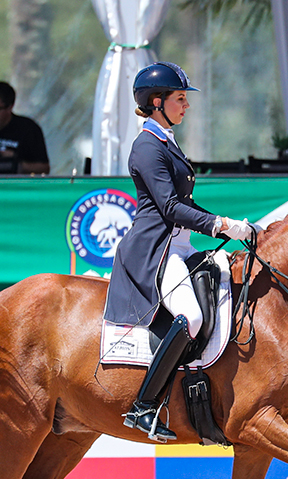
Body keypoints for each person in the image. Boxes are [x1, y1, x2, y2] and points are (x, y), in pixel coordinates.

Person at [103, 62, 254, 442]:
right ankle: (144, 407)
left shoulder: (165, 140)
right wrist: (219, 224)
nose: (186, 106)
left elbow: (185, 204)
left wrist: (229, 225)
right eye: (180, 99)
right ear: (157, 102)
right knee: (190, 317)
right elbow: (169, 207)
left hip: (179, 245)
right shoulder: (146, 146)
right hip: (155, 250)